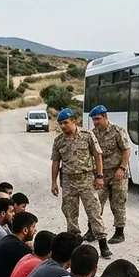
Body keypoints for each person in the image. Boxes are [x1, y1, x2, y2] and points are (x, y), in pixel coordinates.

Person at [51, 108, 112, 259]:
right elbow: (56, 162)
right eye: (60, 124)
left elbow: (98, 156)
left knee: (94, 212)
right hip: (69, 181)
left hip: (86, 179)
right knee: (70, 214)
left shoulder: (87, 135)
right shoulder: (59, 141)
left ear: (73, 121)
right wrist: (54, 182)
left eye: (65, 123)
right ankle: (74, 246)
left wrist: (99, 176)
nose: (63, 126)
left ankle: (103, 245)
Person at [86, 105, 132, 245]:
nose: (96, 122)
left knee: (118, 203)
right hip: (101, 174)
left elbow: (126, 150)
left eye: (98, 119)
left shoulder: (118, 131)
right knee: (95, 203)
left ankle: (119, 232)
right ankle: (92, 231)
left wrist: (122, 168)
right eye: (94, 120)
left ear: (105, 117)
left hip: (118, 173)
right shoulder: (93, 134)